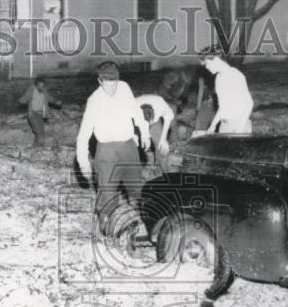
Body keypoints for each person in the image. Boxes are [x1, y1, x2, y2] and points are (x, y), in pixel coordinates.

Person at [76, 61, 151, 235]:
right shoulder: (94, 100)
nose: (111, 89)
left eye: (114, 84)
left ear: (118, 80)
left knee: (138, 188)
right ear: (99, 81)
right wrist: (83, 162)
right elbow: (84, 133)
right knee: (108, 193)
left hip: (128, 147)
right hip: (106, 151)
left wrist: (145, 132)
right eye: (107, 85)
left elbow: (136, 111)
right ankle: (105, 228)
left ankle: (148, 223)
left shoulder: (124, 88)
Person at [200, 46, 254, 135]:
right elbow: (223, 106)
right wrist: (213, 125)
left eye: (207, 63)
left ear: (216, 59)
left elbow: (249, 103)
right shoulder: (219, 78)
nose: (206, 67)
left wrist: (240, 127)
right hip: (224, 125)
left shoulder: (235, 75)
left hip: (238, 125)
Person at [136, 93, 175, 174]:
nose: (147, 127)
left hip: (155, 124)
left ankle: (162, 174)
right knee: (143, 145)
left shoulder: (160, 104)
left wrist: (163, 139)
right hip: (137, 125)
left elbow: (168, 117)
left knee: (162, 149)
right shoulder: (131, 110)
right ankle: (150, 165)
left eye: (149, 123)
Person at [19, 76, 61, 146]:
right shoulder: (31, 90)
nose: (42, 87)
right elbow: (24, 98)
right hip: (32, 114)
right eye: (40, 86)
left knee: (41, 133)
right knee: (38, 131)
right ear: (36, 86)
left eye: (43, 86)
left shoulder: (44, 91)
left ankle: (36, 148)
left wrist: (56, 102)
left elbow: (50, 98)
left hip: (40, 115)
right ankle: (38, 148)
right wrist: (23, 100)